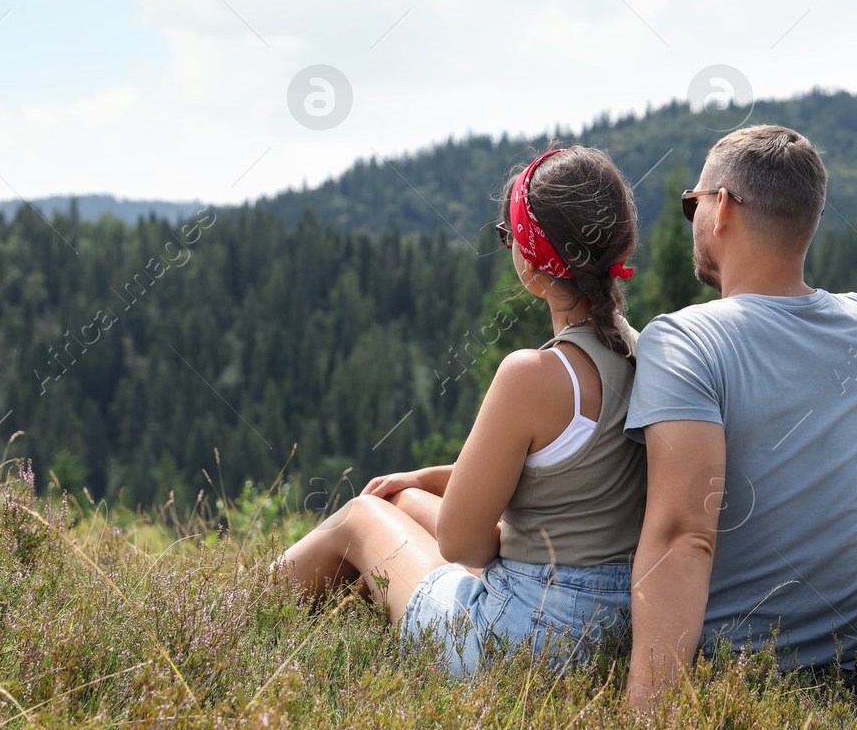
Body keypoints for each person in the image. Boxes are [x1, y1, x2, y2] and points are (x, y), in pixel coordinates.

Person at [276, 146, 647, 675]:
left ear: (531, 255)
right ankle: (353, 603)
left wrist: (505, 533)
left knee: (361, 518)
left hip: (516, 642)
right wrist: (425, 479)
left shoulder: (534, 374)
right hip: (611, 633)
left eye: (508, 235)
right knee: (402, 499)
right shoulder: (640, 353)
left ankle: (237, 614)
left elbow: (460, 541)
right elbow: (565, 472)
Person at [623, 124, 857, 708]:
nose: (690, 216)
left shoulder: (683, 340)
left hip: (746, 678)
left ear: (721, 207)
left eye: (689, 203)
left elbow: (682, 538)